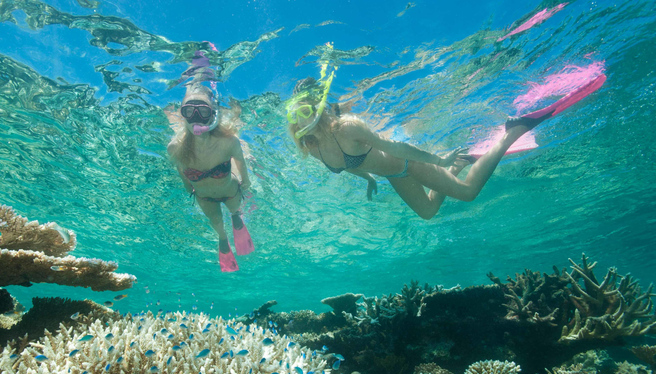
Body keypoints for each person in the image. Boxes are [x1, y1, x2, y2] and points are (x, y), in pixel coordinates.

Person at [287, 75, 601, 219]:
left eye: (308, 109)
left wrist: (437, 158)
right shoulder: (312, 145)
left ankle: (512, 131)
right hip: (395, 176)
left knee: (467, 192)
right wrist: (368, 178)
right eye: (299, 114)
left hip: (409, 164)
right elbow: (343, 166)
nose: (305, 120)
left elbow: (397, 146)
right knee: (427, 213)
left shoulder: (349, 127)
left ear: (322, 105)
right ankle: (460, 164)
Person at [168, 83, 253, 272]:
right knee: (218, 227)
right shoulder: (175, 147)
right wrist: (186, 185)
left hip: (230, 191)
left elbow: (240, 161)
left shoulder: (228, 142)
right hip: (204, 198)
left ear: (213, 114)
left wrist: (245, 181)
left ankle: (236, 217)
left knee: (235, 211)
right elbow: (181, 170)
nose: (196, 117)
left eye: (203, 111)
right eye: (189, 111)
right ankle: (223, 239)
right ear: (183, 115)